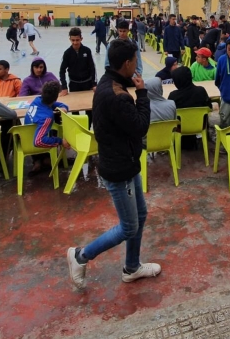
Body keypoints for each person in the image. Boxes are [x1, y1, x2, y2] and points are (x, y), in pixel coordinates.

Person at [66, 39, 160, 289]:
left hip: (125, 162)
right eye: (136, 61)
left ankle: (132, 267)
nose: (137, 65)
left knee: (140, 214)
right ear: (127, 63)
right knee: (129, 226)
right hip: (119, 168)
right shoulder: (117, 96)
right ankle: (80, 255)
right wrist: (142, 93)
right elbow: (140, 126)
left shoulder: (108, 83)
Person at [60, 28, 97, 96]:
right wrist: (64, 87)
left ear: (81, 39)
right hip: (74, 85)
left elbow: (92, 68)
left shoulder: (87, 51)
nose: (75, 42)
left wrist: (94, 84)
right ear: (70, 39)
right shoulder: (67, 53)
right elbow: (62, 70)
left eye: (77, 40)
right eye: (73, 40)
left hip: (87, 84)